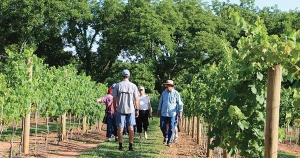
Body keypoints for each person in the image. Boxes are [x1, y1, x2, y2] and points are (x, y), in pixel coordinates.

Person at [112, 69, 139, 151]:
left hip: (120, 109)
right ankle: (130, 146)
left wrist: (115, 108)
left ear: (122, 76)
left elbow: (114, 98)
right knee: (131, 127)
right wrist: (137, 109)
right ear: (129, 76)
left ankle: (120, 146)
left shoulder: (117, 85)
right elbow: (136, 99)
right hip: (131, 109)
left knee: (120, 127)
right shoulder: (133, 86)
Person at [157, 80, 183, 147]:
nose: (167, 87)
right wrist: (158, 110)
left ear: (172, 86)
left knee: (172, 127)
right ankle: (165, 136)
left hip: (172, 114)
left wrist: (180, 112)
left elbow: (180, 103)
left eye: (169, 85)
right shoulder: (163, 93)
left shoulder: (176, 93)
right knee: (162, 126)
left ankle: (169, 142)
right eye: (167, 85)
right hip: (164, 113)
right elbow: (161, 102)